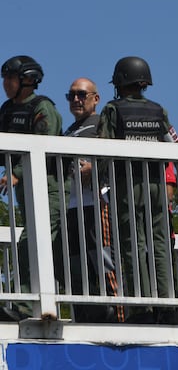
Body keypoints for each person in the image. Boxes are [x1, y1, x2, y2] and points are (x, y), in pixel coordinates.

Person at [97, 56, 178, 324]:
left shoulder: (112, 109)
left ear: (120, 81)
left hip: (127, 184)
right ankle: (166, 302)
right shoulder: (159, 110)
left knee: (132, 243)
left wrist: (98, 180)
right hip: (157, 183)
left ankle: (140, 305)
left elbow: (102, 149)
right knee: (159, 243)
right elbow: (174, 144)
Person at [0, 55, 63, 320]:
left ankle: (27, 307)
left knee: (31, 242)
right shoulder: (7, 110)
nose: (5, 84)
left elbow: (45, 145)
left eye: (10, 78)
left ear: (27, 80)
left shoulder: (42, 107)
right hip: (23, 188)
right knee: (30, 240)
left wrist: (14, 172)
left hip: (47, 185)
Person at [63, 78, 123, 323]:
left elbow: (118, 152)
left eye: (81, 94)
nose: (76, 99)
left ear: (95, 98)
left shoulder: (101, 124)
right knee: (76, 266)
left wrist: (96, 166)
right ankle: (84, 318)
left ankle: (120, 317)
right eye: (71, 95)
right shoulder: (67, 131)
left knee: (104, 261)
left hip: (98, 202)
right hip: (72, 206)